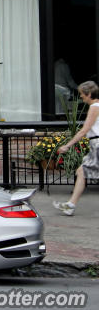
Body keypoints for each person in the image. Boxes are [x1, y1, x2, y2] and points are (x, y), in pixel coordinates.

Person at [53, 80, 99, 216]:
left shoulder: (94, 107)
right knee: (81, 171)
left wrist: (67, 145)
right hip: (96, 144)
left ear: (89, 94)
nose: (81, 97)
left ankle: (70, 205)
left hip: (97, 145)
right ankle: (70, 205)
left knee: (82, 171)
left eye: (82, 94)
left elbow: (84, 130)